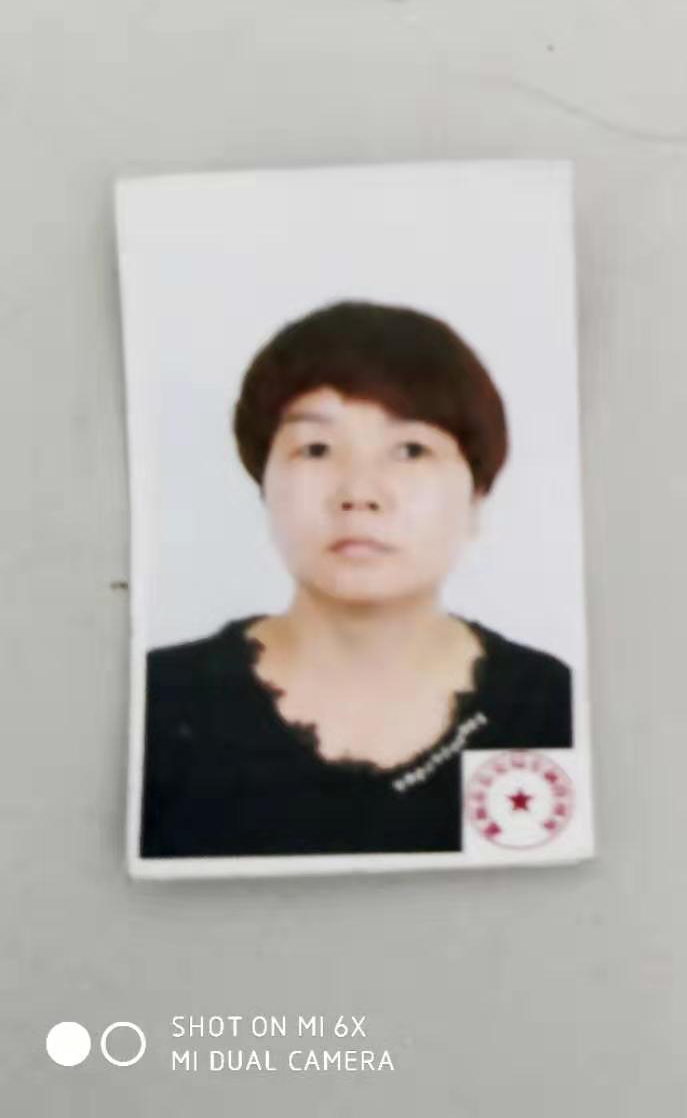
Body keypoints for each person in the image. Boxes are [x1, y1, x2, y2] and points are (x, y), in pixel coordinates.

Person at [140, 300, 573, 859]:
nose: (360, 492)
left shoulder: (554, 708)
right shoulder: (157, 705)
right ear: (263, 484)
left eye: (411, 450)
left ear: (477, 495)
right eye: (316, 449)